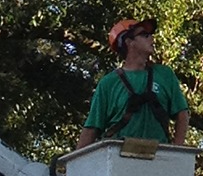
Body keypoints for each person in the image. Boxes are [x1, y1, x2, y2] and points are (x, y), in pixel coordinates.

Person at [76, 17, 191, 148]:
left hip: (158, 158)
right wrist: (73, 165)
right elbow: (91, 129)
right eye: (144, 35)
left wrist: (176, 151)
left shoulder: (165, 75)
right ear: (129, 42)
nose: (151, 38)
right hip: (119, 157)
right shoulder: (108, 84)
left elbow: (182, 114)